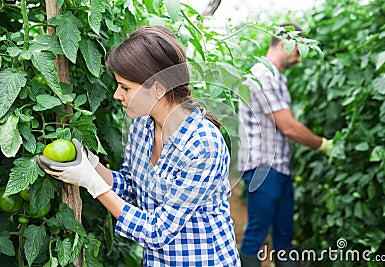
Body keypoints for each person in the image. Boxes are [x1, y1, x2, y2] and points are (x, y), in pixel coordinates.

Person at [37, 26, 240, 266]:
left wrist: (91, 183)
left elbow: (158, 232)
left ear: (157, 89)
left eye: (125, 87)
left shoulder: (202, 144)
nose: (116, 95)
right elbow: (131, 187)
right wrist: (91, 164)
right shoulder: (143, 125)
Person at [237, 22, 333, 267]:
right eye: (298, 51)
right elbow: (287, 125)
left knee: (283, 233)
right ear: (283, 44)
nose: (299, 60)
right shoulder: (263, 75)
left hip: (278, 168)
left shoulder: (276, 77)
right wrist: (322, 144)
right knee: (257, 233)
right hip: (263, 168)